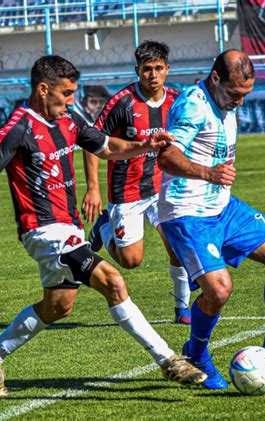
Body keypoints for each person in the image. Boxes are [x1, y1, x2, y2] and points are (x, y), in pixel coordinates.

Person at [0, 55, 206, 397]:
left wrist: (143, 145)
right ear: (44, 89)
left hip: (69, 228)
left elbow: (105, 147)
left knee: (58, 306)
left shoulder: (69, 120)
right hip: (43, 231)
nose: (72, 100)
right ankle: (168, 360)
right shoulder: (18, 127)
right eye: (66, 93)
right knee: (113, 282)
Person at [157, 49, 265, 390]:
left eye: (246, 94)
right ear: (215, 79)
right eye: (235, 94)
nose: (241, 102)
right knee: (218, 290)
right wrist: (207, 172)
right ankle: (197, 355)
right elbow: (167, 157)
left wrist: (215, 180)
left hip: (223, 207)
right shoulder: (193, 105)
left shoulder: (226, 99)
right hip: (187, 213)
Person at [83, 41, 192, 325]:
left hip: (163, 187)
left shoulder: (177, 102)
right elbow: (91, 143)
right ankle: (104, 228)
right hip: (126, 190)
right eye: (147, 70)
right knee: (131, 260)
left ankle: (182, 308)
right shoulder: (123, 103)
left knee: (177, 245)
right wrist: (93, 188)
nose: (153, 75)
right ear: (137, 71)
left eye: (158, 68)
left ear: (167, 70)